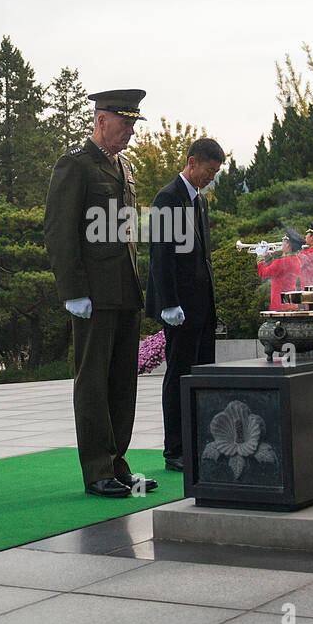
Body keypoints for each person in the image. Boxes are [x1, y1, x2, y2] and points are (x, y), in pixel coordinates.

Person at [45, 89, 155, 497]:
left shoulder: (123, 167)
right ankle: (96, 469)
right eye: (124, 123)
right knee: (92, 381)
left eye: (133, 124)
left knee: (122, 380)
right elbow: (59, 230)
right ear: (101, 120)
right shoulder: (75, 165)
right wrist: (73, 290)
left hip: (124, 288)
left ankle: (117, 461)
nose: (129, 132)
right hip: (92, 293)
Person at [145, 137, 225, 473]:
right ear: (192, 162)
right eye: (209, 170)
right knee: (178, 376)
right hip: (179, 308)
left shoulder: (200, 203)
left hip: (202, 307)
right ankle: (174, 449)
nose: (211, 177)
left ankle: (200, 442)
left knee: (202, 374)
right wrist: (169, 303)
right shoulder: (169, 198)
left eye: (216, 172)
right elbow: (161, 255)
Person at [257, 228, 303, 311]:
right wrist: (267, 255)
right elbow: (276, 269)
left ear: (288, 245)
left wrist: (260, 256)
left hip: (279, 303)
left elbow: (263, 273)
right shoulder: (296, 260)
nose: (282, 244)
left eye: (283, 242)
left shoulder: (282, 262)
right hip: (291, 301)